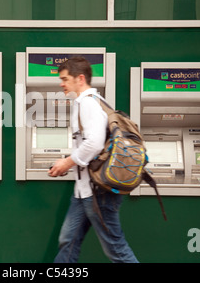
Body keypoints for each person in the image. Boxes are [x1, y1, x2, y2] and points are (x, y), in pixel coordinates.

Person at [48, 56, 139, 263]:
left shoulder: (88, 103)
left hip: (98, 193)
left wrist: (66, 162)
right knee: (68, 240)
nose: (61, 84)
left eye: (65, 79)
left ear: (80, 79)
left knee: (116, 249)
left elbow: (95, 143)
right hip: (84, 191)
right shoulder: (95, 102)